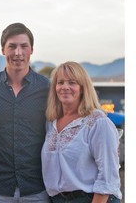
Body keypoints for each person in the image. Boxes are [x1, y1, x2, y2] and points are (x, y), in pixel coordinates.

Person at [0, 23, 51, 202]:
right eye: (12, 46)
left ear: (31, 49)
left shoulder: (47, 87)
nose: (18, 52)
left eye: (24, 46)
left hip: (37, 188)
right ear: (3, 49)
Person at [41, 61, 122, 203]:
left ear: (83, 88)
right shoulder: (51, 123)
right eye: (60, 82)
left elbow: (108, 177)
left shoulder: (97, 122)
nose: (65, 87)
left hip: (90, 198)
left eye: (72, 82)